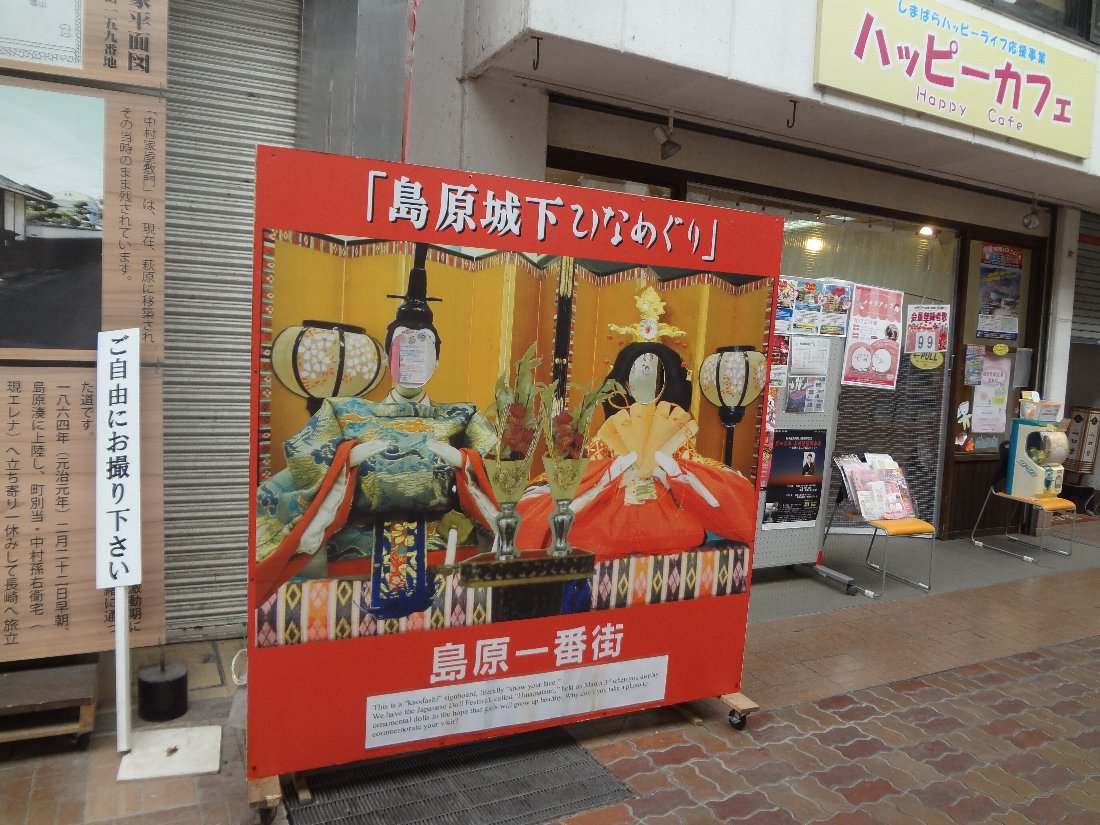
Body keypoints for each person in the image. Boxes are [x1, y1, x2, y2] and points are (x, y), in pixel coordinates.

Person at [254, 244, 496, 616]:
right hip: (358, 529)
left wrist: (463, 460)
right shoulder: (344, 411)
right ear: (387, 356)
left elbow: (498, 473)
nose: (413, 358)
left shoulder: (462, 414)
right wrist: (345, 458)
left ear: (437, 359)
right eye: (403, 349)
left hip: (441, 529)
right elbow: (303, 463)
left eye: (424, 350)